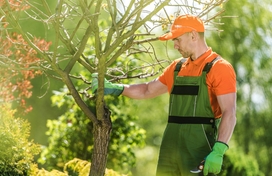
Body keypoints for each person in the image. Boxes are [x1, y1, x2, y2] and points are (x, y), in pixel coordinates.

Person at [92, 14, 236, 176]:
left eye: (177, 39)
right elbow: (147, 90)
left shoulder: (219, 68)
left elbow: (229, 112)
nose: (174, 45)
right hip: (169, 152)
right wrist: (117, 88)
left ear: (193, 35)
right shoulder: (177, 67)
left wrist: (219, 150)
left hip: (198, 152)